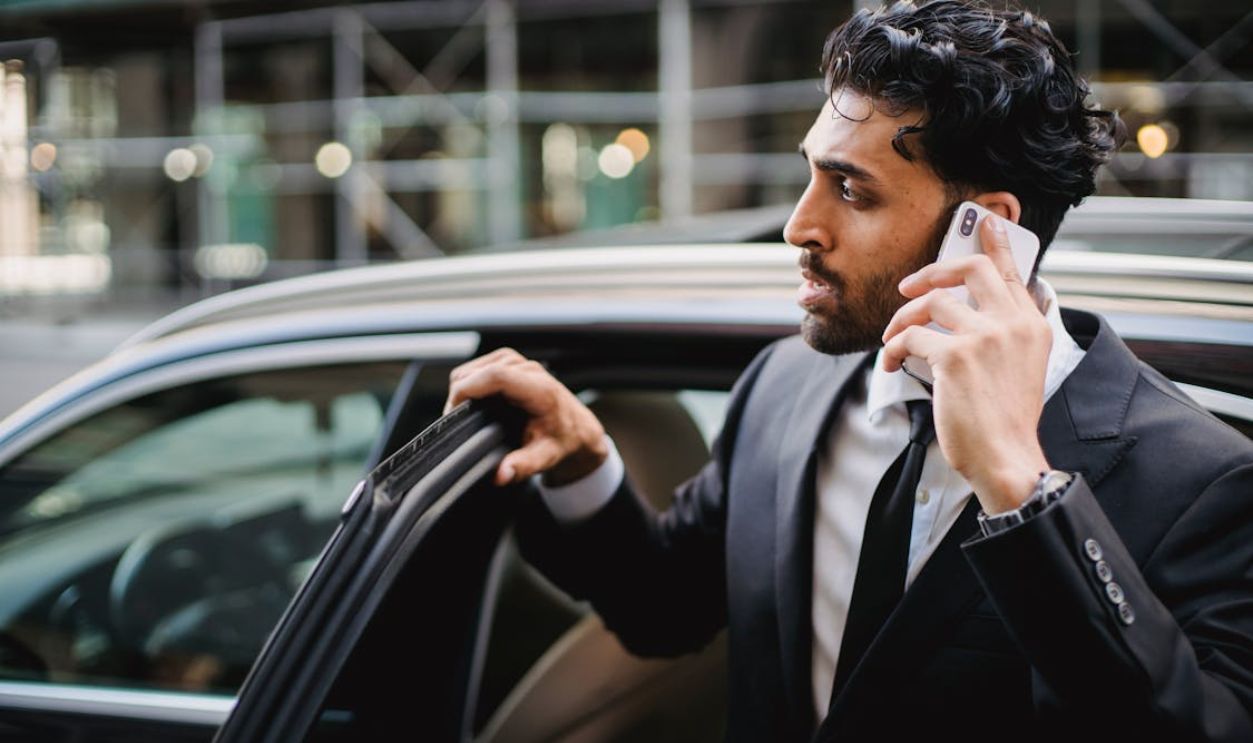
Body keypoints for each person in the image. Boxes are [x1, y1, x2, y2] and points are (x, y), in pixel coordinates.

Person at [446, 1, 1253, 740]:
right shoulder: (783, 386)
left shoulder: (1201, 482)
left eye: (850, 191)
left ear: (986, 233)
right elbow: (665, 612)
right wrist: (586, 463)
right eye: (810, 172)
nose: (799, 223)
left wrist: (1021, 489)